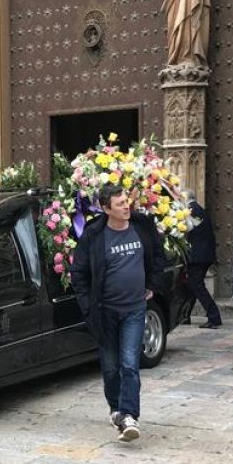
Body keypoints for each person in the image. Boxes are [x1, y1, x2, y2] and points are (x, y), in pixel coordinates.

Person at [71, 184, 167, 443]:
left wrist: (152, 286)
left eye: (126, 201)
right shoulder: (93, 235)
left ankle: (129, 416)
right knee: (111, 368)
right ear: (105, 209)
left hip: (135, 309)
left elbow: (158, 256)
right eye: (120, 204)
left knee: (129, 364)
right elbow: (78, 273)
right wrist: (87, 307)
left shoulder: (142, 226)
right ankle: (116, 409)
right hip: (105, 312)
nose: (126, 206)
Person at [182, 189, 221, 328]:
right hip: (203, 254)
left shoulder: (191, 210)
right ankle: (184, 315)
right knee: (193, 285)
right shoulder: (198, 209)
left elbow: (189, 229)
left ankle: (214, 316)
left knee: (197, 286)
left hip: (198, 256)